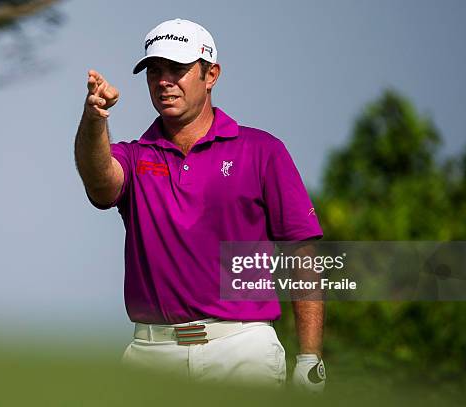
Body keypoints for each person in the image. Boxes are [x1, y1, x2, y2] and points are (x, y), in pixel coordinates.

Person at [74, 18, 326, 391]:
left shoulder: (262, 151)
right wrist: (94, 120)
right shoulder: (133, 156)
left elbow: (302, 252)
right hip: (151, 352)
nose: (164, 81)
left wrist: (309, 356)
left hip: (241, 349)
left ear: (211, 75)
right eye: (154, 71)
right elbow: (100, 183)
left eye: (177, 69)